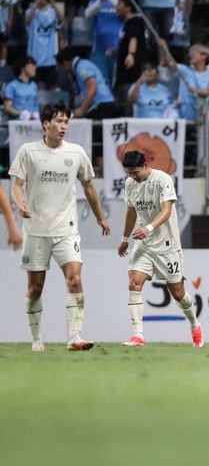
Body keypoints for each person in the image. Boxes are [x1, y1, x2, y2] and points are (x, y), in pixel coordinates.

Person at [9, 102, 111, 352]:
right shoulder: (28, 151)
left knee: (75, 279)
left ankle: (75, 337)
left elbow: (88, 186)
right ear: (46, 124)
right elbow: (16, 185)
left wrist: (99, 216)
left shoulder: (76, 153)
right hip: (35, 230)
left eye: (66, 121)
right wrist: (20, 204)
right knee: (35, 288)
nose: (63, 126)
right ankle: (37, 339)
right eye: (59, 121)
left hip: (67, 229)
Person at [118, 150, 203, 348]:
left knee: (178, 293)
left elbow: (166, 211)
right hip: (144, 244)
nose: (133, 177)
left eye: (135, 172)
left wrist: (148, 228)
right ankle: (138, 335)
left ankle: (194, 324)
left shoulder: (162, 179)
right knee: (134, 283)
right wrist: (124, 239)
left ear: (146, 165)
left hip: (167, 245)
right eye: (129, 173)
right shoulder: (130, 184)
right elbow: (131, 212)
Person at [158, 39, 209, 121]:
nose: (191, 55)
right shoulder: (185, 70)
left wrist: (196, 91)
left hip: (201, 116)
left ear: (204, 56)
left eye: (194, 53)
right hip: (183, 115)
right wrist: (164, 48)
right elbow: (170, 63)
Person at [56, 47, 118, 119]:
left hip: (102, 104)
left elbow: (93, 89)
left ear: (65, 63)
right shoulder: (81, 65)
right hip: (101, 104)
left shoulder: (81, 68)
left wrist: (82, 110)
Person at [115, 0, 148, 116]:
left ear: (128, 7)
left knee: (128, 109)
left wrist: (131, 54)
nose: (116, 6)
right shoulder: (127, 23)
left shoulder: (135, 22)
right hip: (123, 75)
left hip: (131, 75)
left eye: (119, 4)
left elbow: (133, 38)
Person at [25, 0, 63, 88]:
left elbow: (61, 19)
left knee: (52, 88)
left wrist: (52, 1)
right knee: (32, 87)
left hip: (50, 59)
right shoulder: (30, 11)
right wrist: (37, 3)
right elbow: (27, 21)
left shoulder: (53, 12)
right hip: (34, 59)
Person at [85, 0, 123, 85]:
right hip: (99, 46)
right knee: (101, 80)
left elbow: (122, 11)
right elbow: (87, 14)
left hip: (118, 47)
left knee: (117, 81)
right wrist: (101, 0)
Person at [4, 55, 39, 120]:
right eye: (32, 65)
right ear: (23, 68)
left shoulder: (34, 85)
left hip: (34, 124)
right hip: (18, 125)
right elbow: (7, 108)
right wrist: (22, 113)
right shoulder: (12, 86)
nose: (35, 67)